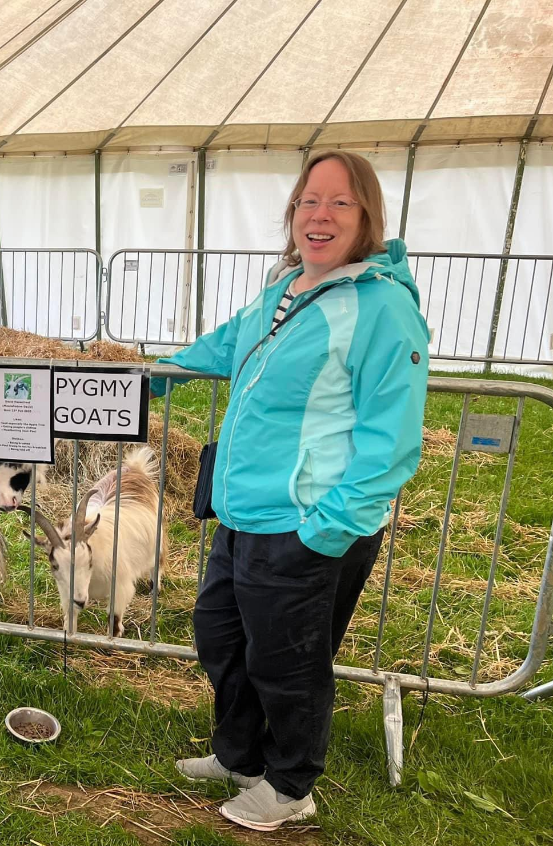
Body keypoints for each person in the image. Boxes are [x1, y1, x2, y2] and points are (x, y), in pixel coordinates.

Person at [150, 150, 429, 830]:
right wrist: (150, 375)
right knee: (221, 637)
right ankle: (240, 753)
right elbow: (227, 345)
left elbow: (392, 437)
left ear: (367, 216)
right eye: (309, 201)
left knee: (289, 664)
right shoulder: (284, 288)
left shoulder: (382, 308)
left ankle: (290, 785)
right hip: (243, 511)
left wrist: (329, 527)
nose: (320, 215)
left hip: (308, 521)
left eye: (339, 202)